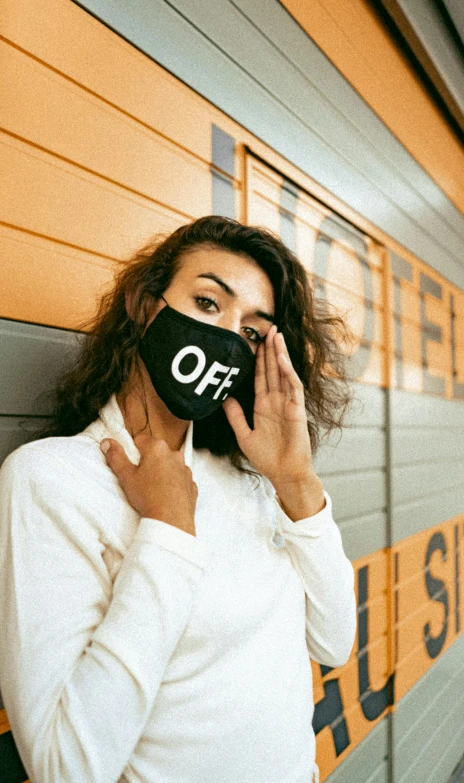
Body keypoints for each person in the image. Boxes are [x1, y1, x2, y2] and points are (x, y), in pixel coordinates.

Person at [0, 215, 357, 783]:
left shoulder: (251, 475)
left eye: (252, 332)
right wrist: (167, 531)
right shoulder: (52, 480)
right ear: (146, 305)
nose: (225, 336)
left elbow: (335, 641)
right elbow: (64, 767)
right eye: (208, 303)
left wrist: (297, 482)